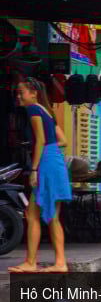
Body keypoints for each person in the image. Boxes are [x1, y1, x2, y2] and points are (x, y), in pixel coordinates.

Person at [8, 78, 72, 274]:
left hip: (46, 164)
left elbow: (41, 141)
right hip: (55, 161)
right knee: (48, 216)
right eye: (17, 94)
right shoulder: (48, 111)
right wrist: (44, 146)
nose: (19, 97)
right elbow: (63, 140)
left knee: (36, 214)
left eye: (22, 93)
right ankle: (56, 262)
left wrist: (34, 169)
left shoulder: (34, 110)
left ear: (34, 92)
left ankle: (32, 262)